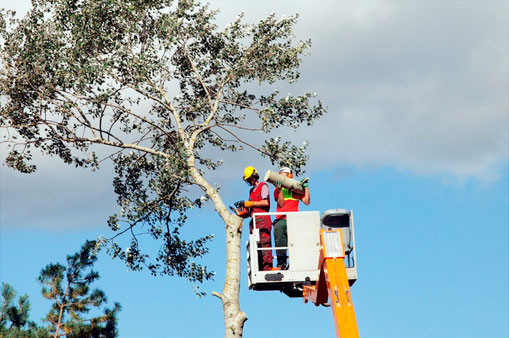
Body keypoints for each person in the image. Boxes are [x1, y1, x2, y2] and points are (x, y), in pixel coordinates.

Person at [272, 167, 310, 269]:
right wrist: (280, 190)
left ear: (289, 176)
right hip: (281, 219)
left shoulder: (296, 189)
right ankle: (282, 264)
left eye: (283, 175)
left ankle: (296, 264)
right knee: (280, 243)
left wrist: (306, 187)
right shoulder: (277, 189)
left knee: (296, 243)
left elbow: (306, 201)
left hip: (294, 220)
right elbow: (281, 204)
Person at [238, 166, 273, 271]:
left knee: (264, 244)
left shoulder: (263, 186)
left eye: (250, 178)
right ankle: (259, 268)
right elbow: (251, 210)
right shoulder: (251, 191)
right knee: (256, 246)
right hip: (254, 222)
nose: (250, 181)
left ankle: (267, 268)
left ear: (255, 176)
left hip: (263, 220)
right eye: (248, 179)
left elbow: (266, 203)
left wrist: (251, 203)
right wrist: (243, 212)